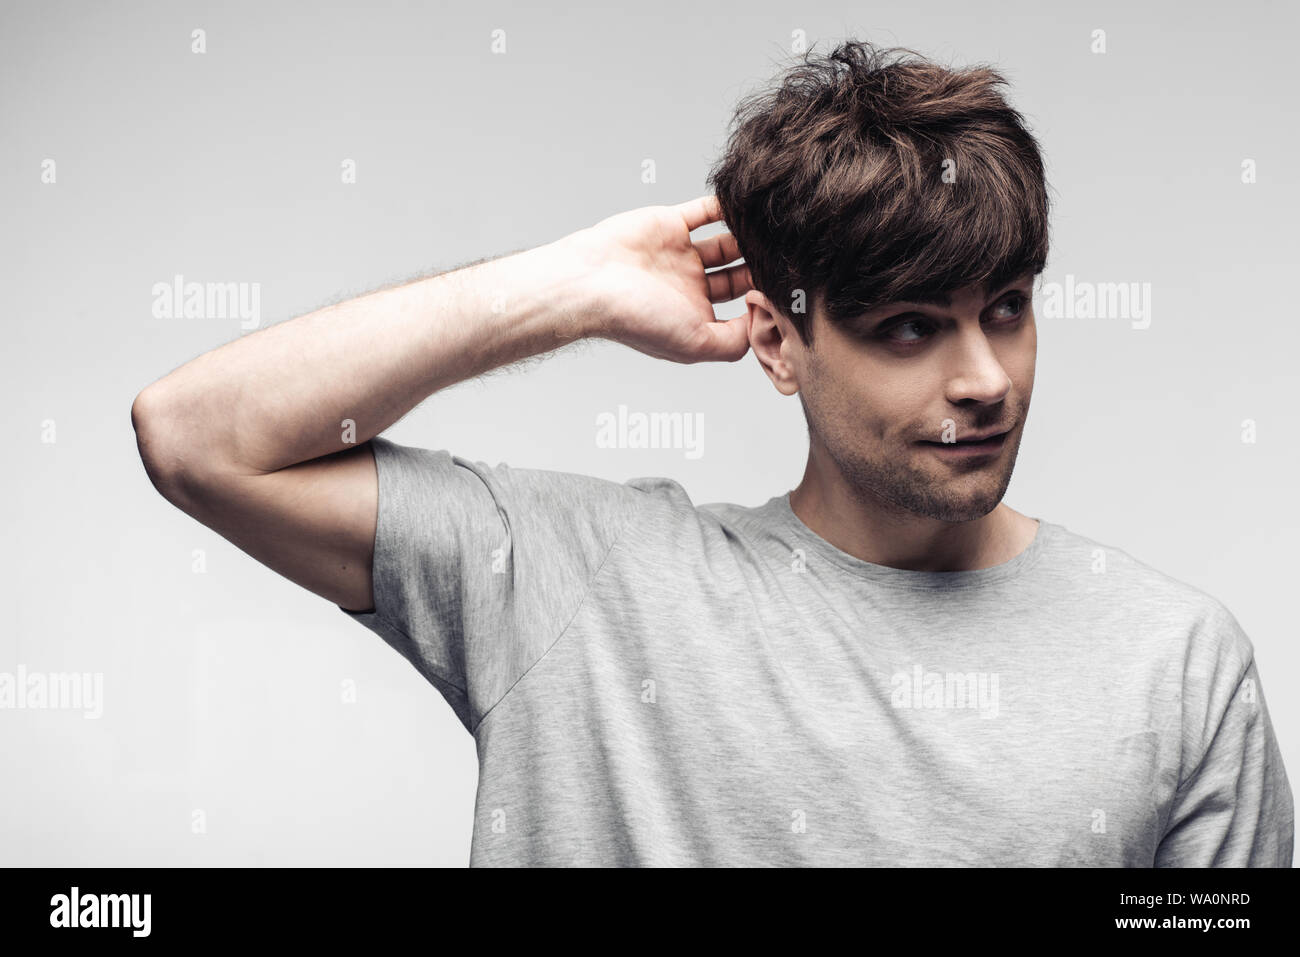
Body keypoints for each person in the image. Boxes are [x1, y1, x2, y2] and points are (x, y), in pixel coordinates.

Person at [131, 40, 1293, 867]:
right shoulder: (575, 585)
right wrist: (572, 286)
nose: (984, 379)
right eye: (906, 326)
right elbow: (193, 438)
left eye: (1005, 307)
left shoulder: (1172, 662)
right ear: (779, 345)